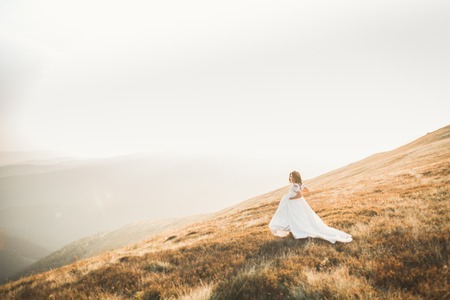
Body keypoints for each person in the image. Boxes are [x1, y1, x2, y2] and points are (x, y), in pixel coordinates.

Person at [269, 171, 352, 243]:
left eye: (292, 176)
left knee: (295, 217)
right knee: (297, 217)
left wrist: (291, 198)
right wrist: (298, 191)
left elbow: (299, 195)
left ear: (295, 177)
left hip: (294, 203)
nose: (290, 178)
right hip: (297, 203)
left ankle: (296, 230)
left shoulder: (295, 185)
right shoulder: (299, 184)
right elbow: (306, 190)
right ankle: (292, 230)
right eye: (290, 176)